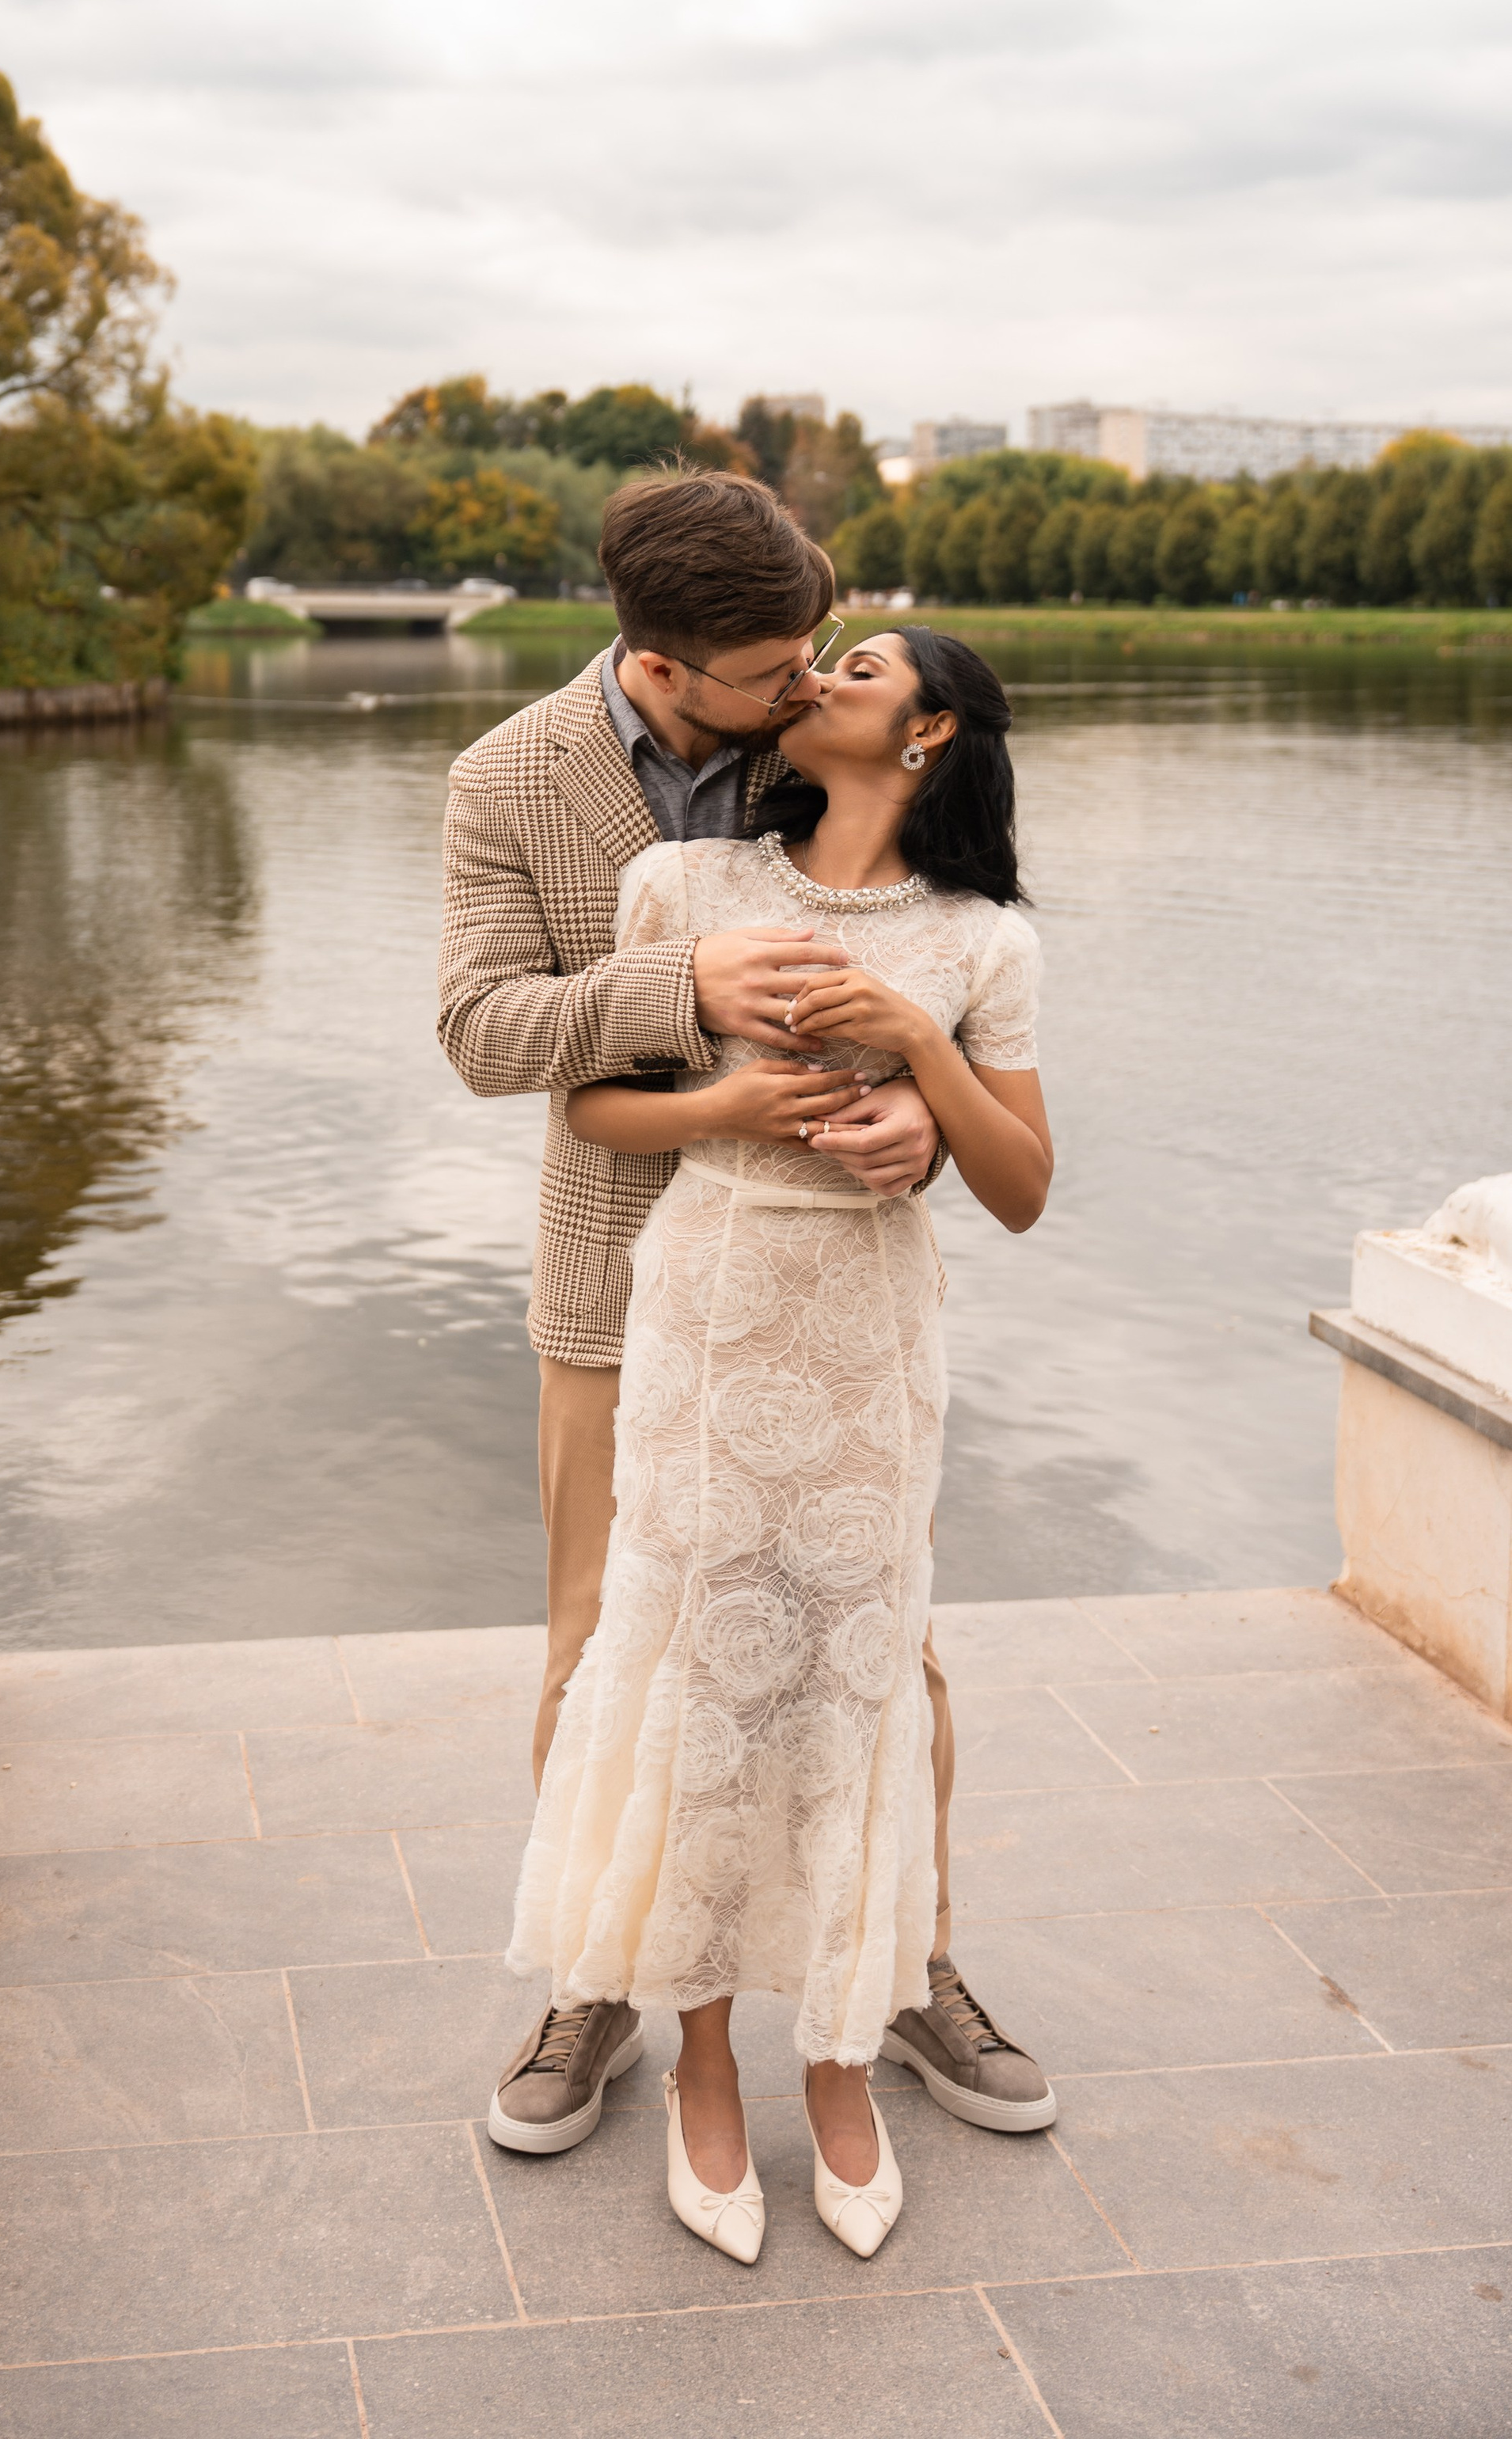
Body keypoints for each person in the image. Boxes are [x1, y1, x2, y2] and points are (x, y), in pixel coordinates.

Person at [438, 471, 1054, 2178]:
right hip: (624, 1278)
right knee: (606, 1642)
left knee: (885, 1646)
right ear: (660, 666)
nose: (802, 686)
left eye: (822, 652)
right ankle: (597, 1981)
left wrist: (926, 1113)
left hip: (841, 1296)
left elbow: (948, 969)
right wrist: (679, 992)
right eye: (777, 671)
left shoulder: (844, 770)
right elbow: (482, 1033)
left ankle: (903, 1959)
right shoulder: (510, 781)